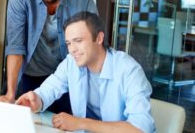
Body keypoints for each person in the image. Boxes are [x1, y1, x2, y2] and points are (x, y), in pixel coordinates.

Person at [16, 12, 155, 133]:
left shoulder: (129, 70)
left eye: (78, 41)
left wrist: (81, 123)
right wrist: (37, 100)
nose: (72, 50)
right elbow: (49, 89)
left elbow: (141, 129)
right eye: (69, 43)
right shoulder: (72, 62)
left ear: (99, 38)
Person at [0, 0, 98, 114]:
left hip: (65, 76)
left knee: (63, 122)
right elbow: (15, 47)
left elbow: (93, 41)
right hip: (30, 74)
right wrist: (10, 94)